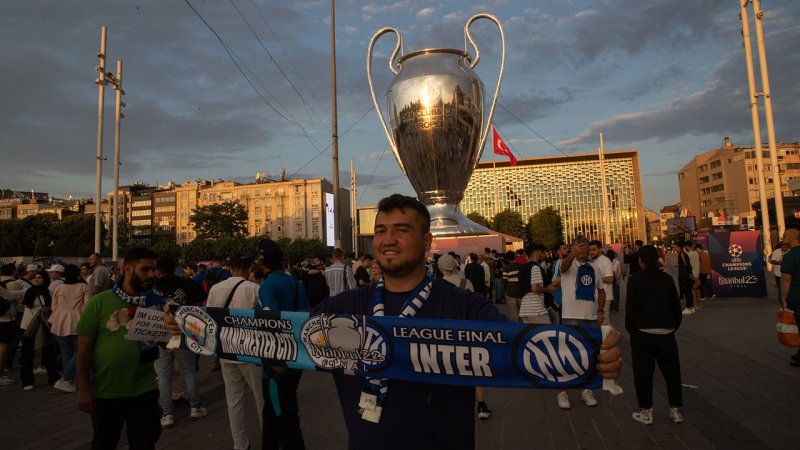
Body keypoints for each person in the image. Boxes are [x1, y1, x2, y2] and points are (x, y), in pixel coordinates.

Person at [305, 194, 620, 449]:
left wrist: (592, 357)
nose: (388, 240)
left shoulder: (464, 306)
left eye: (402, 230)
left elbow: (520, 347)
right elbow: (288, 345)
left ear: (427, 241)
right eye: (381, 230)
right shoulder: (341, 309)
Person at [76, 247, 162, 450]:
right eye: (145, 269)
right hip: (107, 393)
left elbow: (165, 342)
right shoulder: (99, 302)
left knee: (144, 443)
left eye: (153, 270)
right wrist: (84, 389)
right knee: (104, 443)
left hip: (144, 390)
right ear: (128, 270)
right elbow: (83, 350)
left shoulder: (154, 304)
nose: (151, 275)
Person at [257, 239, 310, 450]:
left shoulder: (268, 285)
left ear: (262, 261)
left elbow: (270, 325)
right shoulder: (294, 282)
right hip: (296, 357)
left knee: (283, 416)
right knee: (272, 413)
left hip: (276, 363)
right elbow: (305, 314)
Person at [207, 255, 264, 450]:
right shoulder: (255, 289)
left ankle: (240, 444)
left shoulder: (215, 289)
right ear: (249, 269)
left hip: (226, 350)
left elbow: (209, 319)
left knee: (234, 401)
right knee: (260, 399)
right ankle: (269, 438)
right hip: (251, 350)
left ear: (230, 268)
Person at [626, 245, 684, 425]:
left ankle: (647, 412)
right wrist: (673, 326)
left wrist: (631, 329)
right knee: (672, 373)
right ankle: (675, 411)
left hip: (643, 333)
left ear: (641, 260)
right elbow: (676, 306)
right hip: (666, 332)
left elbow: (631, 308)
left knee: (643, 373)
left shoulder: (635, 279)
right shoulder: (666, 279)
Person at [152, 256, 207, 429]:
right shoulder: (183, 283)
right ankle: (195, 407)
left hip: (162, 334)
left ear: (158, 271)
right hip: (183, 332)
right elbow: (201, 294)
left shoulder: (153, 287)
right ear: (175, 268)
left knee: (164, 375)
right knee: (189, 371)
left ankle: (167, 414)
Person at [555, 236, 606, 410]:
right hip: (571, 316)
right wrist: (572, 255)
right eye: (579, 247)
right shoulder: (568, 265)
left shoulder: (595, 267)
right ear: (573, 248)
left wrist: (600, 310)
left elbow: (601, 291)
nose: (583, 250)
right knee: (567, 354)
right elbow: (563, 267)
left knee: (589, 355)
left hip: (590, 317)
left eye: (585, 247)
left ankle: (587, 389)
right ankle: (562, 391)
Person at [50, 264, 91, 393]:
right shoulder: (83, 287)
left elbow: (54, 306)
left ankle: (69, 381)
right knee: (79, 351)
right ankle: (67, 378)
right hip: (78, 320)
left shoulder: (59, 288)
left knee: (65, 352)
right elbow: (88, 305)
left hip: (59, 320)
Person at [778, 228, 800, 367]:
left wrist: (783, 298)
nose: (782, 237)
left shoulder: (790, 256)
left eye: (785, 235)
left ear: (792, 237)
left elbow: (786, 279)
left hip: (796, 296)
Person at [519, 243, 554, 324]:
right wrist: (548, 290)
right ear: (537, 252)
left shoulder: (523, 268)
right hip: (536, 310)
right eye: (543, 252)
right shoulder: (535, 268)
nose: (545, 255)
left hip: (525, 310)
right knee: (546, 334)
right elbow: (535, 288)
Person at [501, 251, 521, 322]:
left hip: (510, 293)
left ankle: (516, 328)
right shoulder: (521, 266)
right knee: (521, 312)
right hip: (521, 292)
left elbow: (504, 281)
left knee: (514, 313)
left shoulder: (506, 268)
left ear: (508, 259)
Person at [677, 242, 695, 315]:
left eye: (675, 247)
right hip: (686, 274)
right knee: (689, 291)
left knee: (687, 291)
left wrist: (690, 273)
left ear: (679, 247)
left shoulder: (682, 254)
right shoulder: (682, 254)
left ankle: (688, 307)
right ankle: (691, 307)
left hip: (685, 275)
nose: (675, 248)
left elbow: (687, 264)